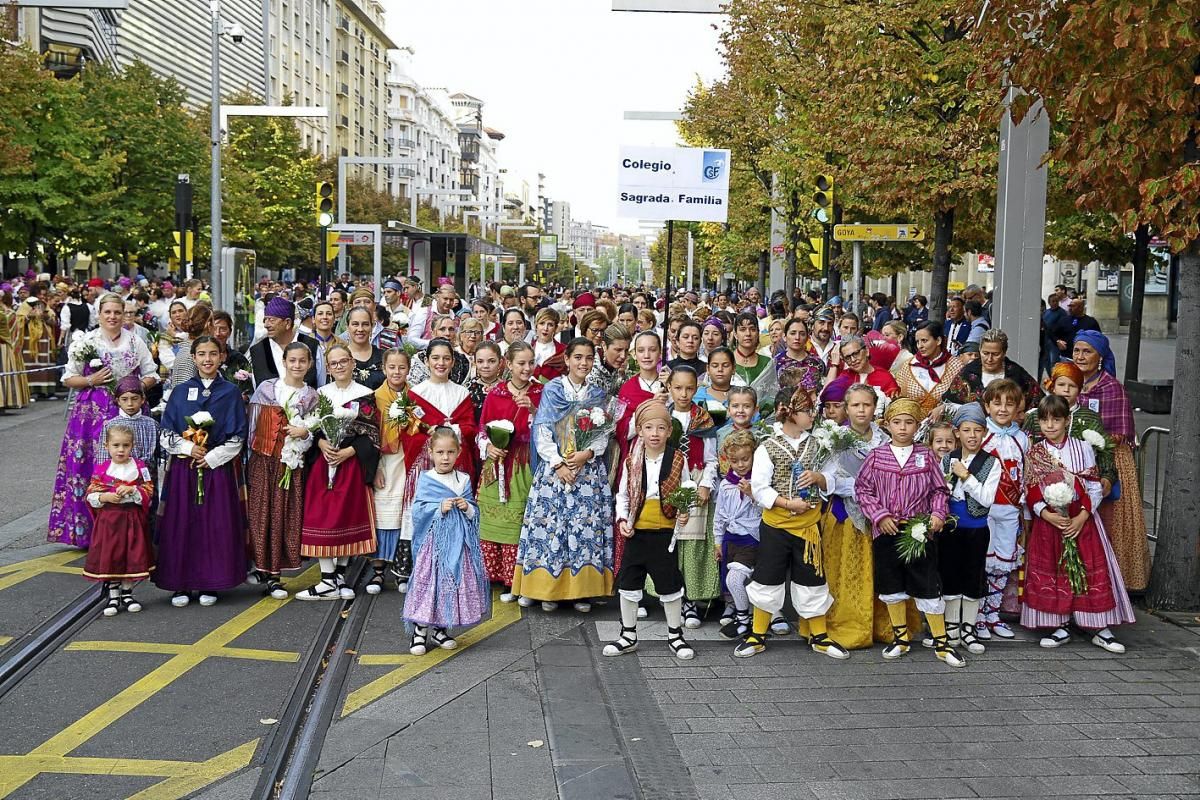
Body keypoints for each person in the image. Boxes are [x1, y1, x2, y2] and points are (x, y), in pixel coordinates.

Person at [734, 386, 847, 660]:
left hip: (809, 525)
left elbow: (834, 477)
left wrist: (820, 479)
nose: (813, 415)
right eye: (808, 410)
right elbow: (760, 488)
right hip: (776, 525)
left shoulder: (819, 444)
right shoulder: (768, 447)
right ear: (791, 413)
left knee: (812, 578)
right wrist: (787, 504)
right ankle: (758, 634)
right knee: (767, 577)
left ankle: (819, 635)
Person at [855, 398, 964, 668]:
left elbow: (939, 490)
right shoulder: (877, 456)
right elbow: (862, 490)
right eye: (897, 422)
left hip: (919, 532)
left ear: (917, 426)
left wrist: (938, 515)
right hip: (888, 530)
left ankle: (941, 643)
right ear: (888, 424)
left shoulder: (926, 456)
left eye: (909, 423)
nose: (903, 428)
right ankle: (900, 637)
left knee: (927, 584)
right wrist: (880, 515)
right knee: (892, 584)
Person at [1022, 395, 1135, 652]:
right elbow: (1030, 488)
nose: (1050, 425)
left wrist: (1082, 516)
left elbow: (1093, 484)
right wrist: (1045, 513)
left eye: (1056, 419)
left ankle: (1098, 625)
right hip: (1051, 522)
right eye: (1044, 419)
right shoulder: (1035, 452)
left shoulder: (1082, 447)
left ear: (1067, 420)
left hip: (1081, 519)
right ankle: (1060, 624)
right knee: (1056, 568)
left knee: (1086, 567)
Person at [511, 338, 615, 611]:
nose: (583, 363)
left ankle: (582, 591)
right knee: (551, 529)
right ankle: (547, 589)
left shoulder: (596, 393)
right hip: (555, 470)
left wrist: (586, 455)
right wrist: (558, 463)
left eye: (589, 358)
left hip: (587, 472)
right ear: (566, 359)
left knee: (585, 531)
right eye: (578, 357)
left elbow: (602, 433)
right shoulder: (553, 390)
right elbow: (542, 431)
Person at [52, 292, 158, 548]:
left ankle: (131, 528)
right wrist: (92, 380)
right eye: (107, 312)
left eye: (117, 312)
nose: (112, 317)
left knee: (131, 468)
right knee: (90, 469)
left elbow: (151, 374)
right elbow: (68, 378)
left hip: (127, 414)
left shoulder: (135, 342)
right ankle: (89, 531)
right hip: (91, 417)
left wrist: (134, 389)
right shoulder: (85, 342)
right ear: (99, 314)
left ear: (124, 315)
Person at [155, 336, 248, 608]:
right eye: (202, 354)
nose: (207, 359)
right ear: (193, 358)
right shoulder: (180, 391)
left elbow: (238, 435)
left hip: (216, 469)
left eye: (213, 354)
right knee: (182, 522)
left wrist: (212, 456)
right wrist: (187, 447)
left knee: (214, 524)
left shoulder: (230, 391)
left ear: (222, 357)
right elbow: (166, 430)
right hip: (185, 468)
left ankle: (211, 581)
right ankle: (180, 582)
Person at [817, 382, 905, 649]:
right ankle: (847, 625)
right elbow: (828, 477)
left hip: (882, 514)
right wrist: (853, 487)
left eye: (867, 405)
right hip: (847, 514)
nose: (861, 410)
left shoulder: (886, 439)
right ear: (846, 408)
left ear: (875, 407)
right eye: (855, 405)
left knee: (883, 569)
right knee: (846, 572)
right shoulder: (834, 438)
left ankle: (885, 625)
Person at [605, 400, 696, 660]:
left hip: (665, 533)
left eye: (660, 428)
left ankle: (675, 635)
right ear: (640, 430)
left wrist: (684, 509)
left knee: (669, 583)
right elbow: (623, 494)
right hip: (637, 530)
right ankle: (628, 634)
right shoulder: (631, 460)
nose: (654, 433)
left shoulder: (678, 458)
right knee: (629, 581)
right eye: (648, 427)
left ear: (669, 431)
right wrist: (623, 519)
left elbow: (686, 488)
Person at [296, 343, 381, 601]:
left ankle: (340, 574)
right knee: (321, 516)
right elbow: (311, 428)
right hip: (324, 462)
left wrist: (350, 452)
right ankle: (327, 577)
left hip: (351, 463)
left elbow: (372, 434)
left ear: (353, 363)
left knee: (347, 516)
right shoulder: (320, 394)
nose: (340, 366)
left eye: (344, 361)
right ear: (328, 368)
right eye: (334, 363)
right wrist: (321, 443)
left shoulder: (365, 394)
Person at [1073, 331, 1150, 593]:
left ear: (1100, 356)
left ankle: (1112, 584)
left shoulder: (1110, 387)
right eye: (1077, 351)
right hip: (1074, 459)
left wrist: (1090, 439)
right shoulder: (1066, 381)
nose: (1080, 356)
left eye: (1087, 352)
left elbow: (1120, 434)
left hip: (1110, 459)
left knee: (1110, 522)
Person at [404, 426, 490, 655]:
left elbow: (474, 511)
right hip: (433, 545)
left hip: (459, 543)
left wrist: (468, 508)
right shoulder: (426, 479)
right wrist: (438, 508)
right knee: (430, 583)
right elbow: (418, 510)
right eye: (440, 452)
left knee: (452, 583)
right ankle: (420, 630)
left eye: (450, 452)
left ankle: (440, 628)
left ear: (458, 452)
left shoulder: (463, 479)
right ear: (430, 453)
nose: (445, 457)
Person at [245, 342, 319, 600]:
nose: (297, 365)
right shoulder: (266, 389)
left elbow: (313, 431)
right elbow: (252, 425)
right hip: (263, 460)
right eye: (292, 360)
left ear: (309, 365)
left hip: (290, 463)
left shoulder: (311, 396)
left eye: (302, 361)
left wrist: (305, 433)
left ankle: (275, 575)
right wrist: (252, 456)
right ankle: (258, 566)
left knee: (282, 516)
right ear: (284, 362)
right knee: (259, 514)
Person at [477, 342, 542, 602]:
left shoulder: (540, 391)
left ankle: (514, 578)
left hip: (525, 463)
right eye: (521, 363)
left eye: (530, 363)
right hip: (497, 463)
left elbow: (552, 430)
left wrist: (534, 412)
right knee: (493, 519)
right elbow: (483, 428)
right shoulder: (497, 393)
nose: (527, 368)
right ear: (508, 363)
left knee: (518, 520)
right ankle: (492, 575)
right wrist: (489, 446)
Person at [937, 404, 999, 655]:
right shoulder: (947, 459)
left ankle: (968, 628)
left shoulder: (991, 462)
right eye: (966, 430)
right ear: (957, 433)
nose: (972, 435)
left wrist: (965, 476)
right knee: (950, 575)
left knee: (973, 576)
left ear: (984, 433)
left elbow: (986, 499)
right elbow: (940, 491)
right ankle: (951, 627)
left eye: (977, 430)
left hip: (976, 528)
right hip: (951, 527)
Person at [974, 379, 1030, 640]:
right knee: (983, 561)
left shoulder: (1022, 438)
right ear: (987, 406)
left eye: (1010, 403)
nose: (1003, 408)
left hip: (1010, 508)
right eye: (997, 402)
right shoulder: (980, 434)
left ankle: (993, 613)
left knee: (1003, 562)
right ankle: (977, 616)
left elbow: (1026, 474)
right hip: (984, 509)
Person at [664, 366, 720, 626]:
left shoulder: (704, 418)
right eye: (678, 388)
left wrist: (706, 484)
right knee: (670, 540)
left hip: (695, 480)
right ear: (669, 388)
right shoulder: (663, 415)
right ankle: (670, 594)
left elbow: (711, 458)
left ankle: (692, 600)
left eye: (689, 388)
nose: (683, 394)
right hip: (669, 481)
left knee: (694, 539)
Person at [84, 423, 155, 616]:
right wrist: (104, 497)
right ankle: (113, 596)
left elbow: (149, 491)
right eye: (116, 445)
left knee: (131, 556)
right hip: (109, 521)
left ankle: (128, 593)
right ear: (107, 446)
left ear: (132, 446)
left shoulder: (140, 467)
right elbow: (90, 494)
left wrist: (134, 490)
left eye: (125, 445)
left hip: (132, 520)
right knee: (112, 556)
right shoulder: (102, 469)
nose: (121, 450)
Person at [713, 429, 763, 640]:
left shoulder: (760, 482)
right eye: (735, 460)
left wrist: (752, 494)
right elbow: (720, 514)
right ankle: (747, 616)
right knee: (732, 581)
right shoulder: (726, 484)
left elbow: (766, 509)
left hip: (750, 538)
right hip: (730, 539)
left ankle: (744, 620)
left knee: (736, 579)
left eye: (745, 459)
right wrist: (718, 540)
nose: (741, 465)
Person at [371, 347, 414, 594]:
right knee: (382, 515)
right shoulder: (375, 397)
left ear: (408, 369)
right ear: (384, 368)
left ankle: (401, 569)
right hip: (385, 461)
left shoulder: (415, 396)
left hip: (407, 461)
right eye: (392, 367)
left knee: (403, 515)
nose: (397, 372)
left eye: (402, 367)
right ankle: (378, 570)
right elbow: (372, 437)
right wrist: (375, 466)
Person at [942, 328, 1040, 412]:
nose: (989, 359)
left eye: (995, 354)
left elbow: (1037, 402)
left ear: (1004, 352)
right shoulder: (967, 372)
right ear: (980, 350)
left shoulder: (1017, 374)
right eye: (985, 353)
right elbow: (951, 401)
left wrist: (1024, 415)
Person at [892, 321, 965, 419]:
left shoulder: (956, 366)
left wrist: (945, 408)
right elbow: (899, 399)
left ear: (938, 340)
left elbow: (962, 401)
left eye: (924, 340)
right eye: (917, 342)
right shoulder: (909, 365)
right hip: (912, 425)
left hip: (945, 427)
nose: (920, 346)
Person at [247, 297, 319, 388]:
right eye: (265, 320)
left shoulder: (312, 346)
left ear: (287, 323)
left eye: (271, 320)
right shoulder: (257, 351)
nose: (266, 325)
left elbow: (321, 387)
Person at [14, 296, 59, 401]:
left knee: (46, 365)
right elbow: (18, 324)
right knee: (31, 366)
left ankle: (47, 391)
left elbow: (54, 323)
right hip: (28, 343)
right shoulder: (23, 308)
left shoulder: (46, 308)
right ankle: (32, 392)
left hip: (45, 343)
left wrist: (45, 317)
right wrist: (29, 316)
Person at [774, 318, 827, 397]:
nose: (797, 337)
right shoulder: (775, 363)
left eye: (802, 334)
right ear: (784, 337)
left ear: (807, 338)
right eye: (793, 333)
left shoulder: (818, 363)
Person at [0, 291, 30, 412]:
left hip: (3, 347)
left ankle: (3, 402)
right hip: (5, 346)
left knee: (3, 373)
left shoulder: (7, 314)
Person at [345, 306, 385, 391]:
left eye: (365, 324)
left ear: (372, 327)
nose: (360, 329)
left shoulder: (384, 357)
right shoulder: (340, 359)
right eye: (355, 324)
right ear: (347, 327)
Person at [531, 308, 566, 383]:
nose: (545, 328)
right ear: (536, 325)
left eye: (550, 325)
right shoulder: (527, 348)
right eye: (542, 323)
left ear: (555, 328)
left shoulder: (563, 351)